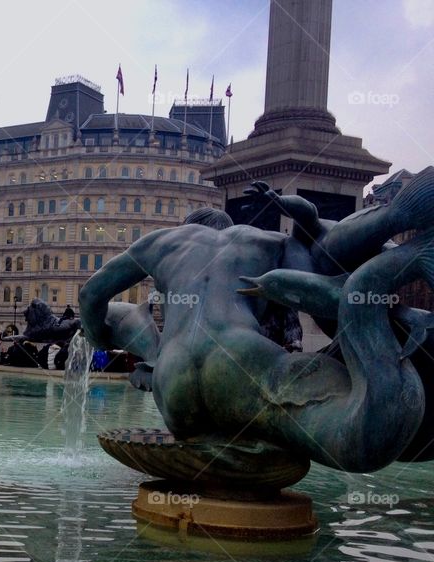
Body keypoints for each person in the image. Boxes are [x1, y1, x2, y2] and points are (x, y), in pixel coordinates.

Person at [79, 166, 434, 471]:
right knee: (365, 441)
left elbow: (91, 295)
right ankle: (416, 255)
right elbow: (325, 295)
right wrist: (395, 312)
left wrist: (98, 337)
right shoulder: (268, 243)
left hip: (171, 386)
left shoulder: (160, 243)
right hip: (240, 364)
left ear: (188, 227)